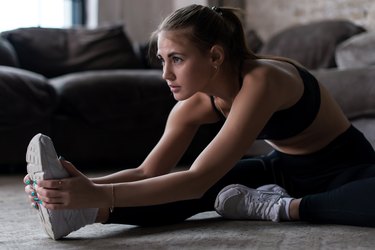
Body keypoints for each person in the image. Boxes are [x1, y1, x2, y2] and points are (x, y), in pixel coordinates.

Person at [24, 4, 375, 240]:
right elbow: (149, 173)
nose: (165, 73)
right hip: (281, 171)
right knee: (191, 189)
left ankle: (283, 207)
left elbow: (196, 179)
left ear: (216, 56)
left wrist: (97, 190)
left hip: (347, 169)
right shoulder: (193, 105)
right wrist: (79, 188)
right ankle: (84, 213)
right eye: (162, 59)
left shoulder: (263, 80)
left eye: (177, 59)